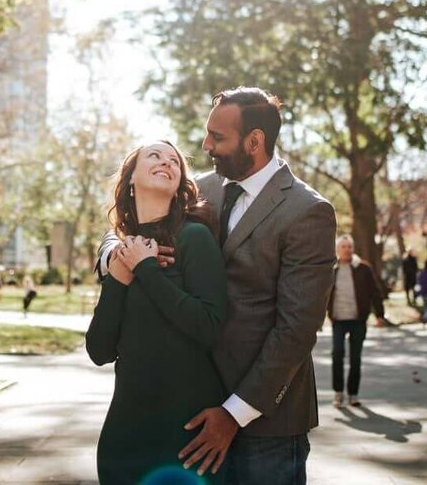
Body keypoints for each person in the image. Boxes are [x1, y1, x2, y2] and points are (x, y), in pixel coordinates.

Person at [98, 87, 336, 483]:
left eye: (217, 137)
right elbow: (123, 225)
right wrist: (115, 257)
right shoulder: (200, 190)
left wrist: (233, 414)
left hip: (266, 424)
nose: (205, 145)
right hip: (193, 411)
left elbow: (296, 329)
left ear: (254, 141)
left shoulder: (308, 211)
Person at [87, 140, 229, 485]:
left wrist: (147, 270)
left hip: (185, 436)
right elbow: (100, 351)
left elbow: (209, 325)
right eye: (154, 155)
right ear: (131, 178)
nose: (167, 161)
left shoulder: (194, 238)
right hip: (126, 433)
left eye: (174, 162)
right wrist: (119, 279)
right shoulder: (121, 251)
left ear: (180, 184)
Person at [328, 234, 387, 408]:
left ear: (353, 249)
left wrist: (379, 314)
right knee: (337, 354)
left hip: (358, 320)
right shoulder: (331, 269)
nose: (347, 249)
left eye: (349, 247)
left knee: (356, 358)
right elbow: (320, 294)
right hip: (338, 319)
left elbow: (375, 292)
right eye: (343, 246)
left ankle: (353, 394)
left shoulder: (363, 269)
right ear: (337, 250)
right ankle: (338, 393)